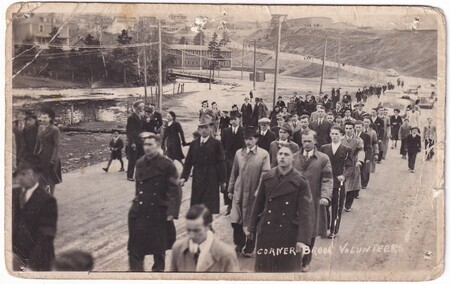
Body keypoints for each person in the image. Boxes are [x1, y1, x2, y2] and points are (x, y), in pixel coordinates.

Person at [248, 146, 314, 272]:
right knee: (264, 271)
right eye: (280, 154)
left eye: (286, 154)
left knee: (285, 272)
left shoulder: (300, 182)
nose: (282, 157)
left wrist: (302, 239)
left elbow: (306, 213)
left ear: (293, 159)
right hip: (266, 231)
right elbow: (258, 204)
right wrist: (251, 227)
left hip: (289, 234)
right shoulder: (267, 177)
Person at [128, 132, 181, 272]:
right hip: (142, 210)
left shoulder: (167, 164)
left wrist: (171, 212)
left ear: (157, 146)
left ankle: (158, 274)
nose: (147, 148)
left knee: (159, 248)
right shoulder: (140, 163)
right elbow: (138, 188)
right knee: (135, 247)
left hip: (159, 211)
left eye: (150, 144)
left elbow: (174, 190)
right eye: (145, 144)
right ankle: (137, 274)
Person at [292, 129, 333, 272]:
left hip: (314, 201)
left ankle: (306, 260)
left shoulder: (323, 159)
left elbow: (328, 179)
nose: (307, 143)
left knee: (311, 231)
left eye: (310, 141)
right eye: (304, 141)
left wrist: (325, 196)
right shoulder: (294, 157)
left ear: (315, 141)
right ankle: (294, 259)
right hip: (295, 201)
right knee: (294, 229)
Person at [227, 127, 270, 257]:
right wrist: (230, 189)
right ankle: (239, 243)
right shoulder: (239, 153)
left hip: (254, 192)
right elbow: (234, 172)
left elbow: (265, 173)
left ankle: (249, 247)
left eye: (251, 139)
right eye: (246, 139)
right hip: (239, 191)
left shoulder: (263, 154)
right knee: (236, 220)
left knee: (252, 220)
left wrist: (259, 190)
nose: (248, 141)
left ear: (256, 139)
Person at [12, 155, 58, 271]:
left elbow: (45, 236)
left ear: (37, 176)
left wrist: (32, 264)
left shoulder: (47, 201)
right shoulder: (15, 194)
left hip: (38, 259)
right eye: (19, 173)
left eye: (25, 174)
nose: (21, 177)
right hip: (17, 254)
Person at [180, 116, 227, 214]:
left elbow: (221, 162)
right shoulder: (194, 144)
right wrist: (184, 177)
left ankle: (208, 226)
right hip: (197, 178)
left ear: (211, 129)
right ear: (198, 129)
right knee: (197, 207)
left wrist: (223, 181)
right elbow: (188, 162)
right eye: (202, 128)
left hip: (211, 179)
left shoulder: (216, 143)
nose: (204, 130)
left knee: (208, 208)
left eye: (206, 127)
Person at [171, 205, 239, 272]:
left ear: (208, 227)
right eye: (188, 230)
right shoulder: (177, 249)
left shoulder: (226, 254)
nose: (191, 235)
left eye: (196, 230)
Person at [321, 126, 353, 239]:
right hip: (325, 182)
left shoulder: (346, 149)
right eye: (332, 134)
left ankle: (334, 230)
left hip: (338, 183)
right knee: (324, 205)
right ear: (330, 135)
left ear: (342, 136)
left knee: (337, 207)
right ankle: (325, 226)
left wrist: (344, 176)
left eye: (337, 134)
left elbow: (350, 166)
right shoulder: (324, 148)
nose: (334, 136)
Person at [221, 111, 245, 216]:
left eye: (235, 119)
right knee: (228, 183)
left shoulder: (244, 131)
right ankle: (229, 205)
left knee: (240, 182)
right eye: (231, 119)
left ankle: (239, 205)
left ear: (239, 119)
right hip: (228, 161)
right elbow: (222, 147)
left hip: (241, 160)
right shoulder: (225, 131)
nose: (233, 121)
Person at [34, 107, 62, 195]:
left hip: (51, 157)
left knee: (51, 178)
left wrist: (53, 160)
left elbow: (56, 146)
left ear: (50, 118)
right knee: (41, 178)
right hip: (41, 156)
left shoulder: (55, 130)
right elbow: (37, 142)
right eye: (42, 117)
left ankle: (51, 196)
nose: (43, 119)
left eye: (45, 117)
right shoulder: (39, 127)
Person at [341, 121, 365, 211]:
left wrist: (359, 161)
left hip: (353, 164)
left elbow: (361, 151)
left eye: (350, 128)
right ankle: (340, 204)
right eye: (346, 128)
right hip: (342, 165)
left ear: (353, 129)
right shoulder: (340, 139)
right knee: (342, 184)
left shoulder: (358, 140)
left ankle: (348, 205)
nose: (348, 130)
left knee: (351, 185)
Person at [126, 100, 145, 181]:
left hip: (141, 141)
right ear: (138, 108)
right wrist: (132, 142)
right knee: (133, 159)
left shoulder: (141, 116)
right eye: (142, 106)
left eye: (143, 106)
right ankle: (129, 176)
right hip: (134, 142)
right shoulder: (131, 118)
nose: (143, 108)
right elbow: (129, 131)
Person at [361, 117, 379, 189]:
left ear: (370, 123)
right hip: (360, 150)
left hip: (368, 151)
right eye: (365, 122)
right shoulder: (359, 130)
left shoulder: (373, 132)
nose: (366, 124)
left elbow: (375, 143)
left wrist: (376, 153)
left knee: (366, 168)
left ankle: (364, 183)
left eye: (367, 122)